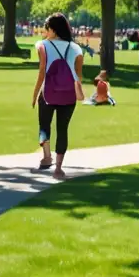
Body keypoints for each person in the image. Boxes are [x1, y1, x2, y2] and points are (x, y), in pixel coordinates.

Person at [31, 13, 85, 179]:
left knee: (44, 125)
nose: (45, 32)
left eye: (47, 29)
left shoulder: (42, 46)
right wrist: (80, 92)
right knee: (63, 129)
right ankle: (58, 169)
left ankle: (47, 157)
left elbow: (42, 72)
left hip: (48, 92)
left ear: (53, 30)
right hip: (68, 94)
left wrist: (34, 94)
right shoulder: (76, 48)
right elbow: (78, 75)